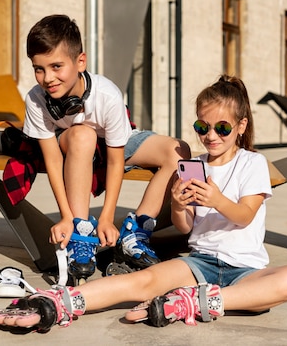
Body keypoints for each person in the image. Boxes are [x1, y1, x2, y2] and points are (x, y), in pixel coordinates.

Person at [0, 74, 287, 331]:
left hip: (245, 269)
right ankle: (58, 302)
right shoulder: (195, 166)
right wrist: (178, 205)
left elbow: (245, 215)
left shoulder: (252, 164)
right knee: (139, 282)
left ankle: (198, 301)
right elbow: (187, 227)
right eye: (202, 127)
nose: (211, 136)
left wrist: (216, 198)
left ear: (241, 126)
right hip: (200, 264)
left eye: (222, 128)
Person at [21, 14, 191, 283]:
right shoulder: (36, 99)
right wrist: (65, 216)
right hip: (75, 143)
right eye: (38, 69)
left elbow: (115, 160)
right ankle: (80, 231)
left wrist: (108, 217)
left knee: (177, 150)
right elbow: (53, 160)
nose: (47, 78)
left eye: (56, 66)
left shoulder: (107, 94)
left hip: (113, 143)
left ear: (80, 62)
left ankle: (136, 231)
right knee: (83, 135)